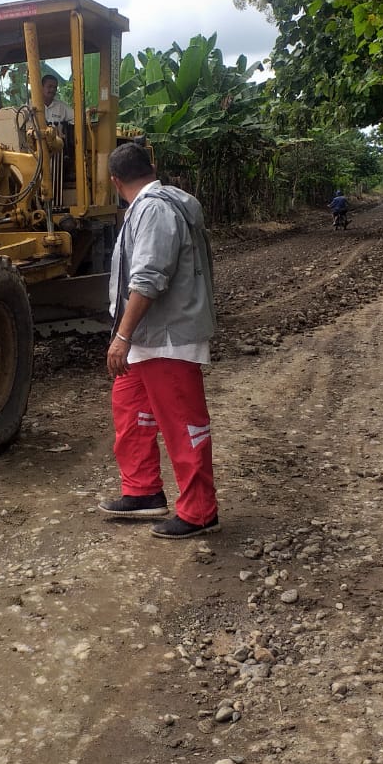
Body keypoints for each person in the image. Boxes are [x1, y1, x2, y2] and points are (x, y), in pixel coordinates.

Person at [98, 142, 219, 540]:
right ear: (152, 166)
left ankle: (200, 512)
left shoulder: (154, 210)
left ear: (115, 182)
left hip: (166, 337)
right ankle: (142, 491)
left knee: (182, 424)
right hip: (146, 338)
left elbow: (149, 278)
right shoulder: (152, 207)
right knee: (130, 410)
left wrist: (122, 336)